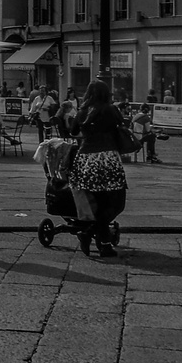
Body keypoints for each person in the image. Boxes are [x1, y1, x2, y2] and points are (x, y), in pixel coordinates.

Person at [71, 80, 129, 257]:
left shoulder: (82, 111)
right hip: (106, 159)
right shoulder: (110, 109)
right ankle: (92, 235)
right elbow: (123, 126)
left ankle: (101, 242)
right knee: (115, 202)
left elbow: (73, 131)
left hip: (85, 159)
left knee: (98, 203)